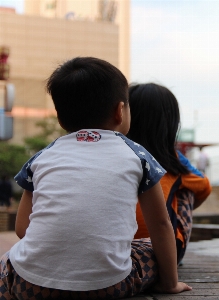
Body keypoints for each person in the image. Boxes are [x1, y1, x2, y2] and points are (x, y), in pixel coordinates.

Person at [0, 57, 191, 299]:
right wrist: (170, 284)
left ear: (60, 118)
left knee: (11, 258)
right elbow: (161, 226)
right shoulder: (138, 155)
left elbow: (22, 229)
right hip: (109, 286)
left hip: (30, 286)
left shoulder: (42, 157)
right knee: (150, 247)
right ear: (120, 111)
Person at [126, 83, 211, 264]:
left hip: (111, 250)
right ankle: (173, 253)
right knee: (184, 189)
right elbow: (204, 187)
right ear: (171, 124)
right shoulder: (172, 161)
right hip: (155, 257)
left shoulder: (113, 153)